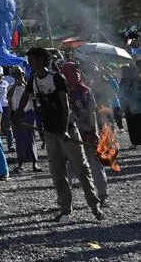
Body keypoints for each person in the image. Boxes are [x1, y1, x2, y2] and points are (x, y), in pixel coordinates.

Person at [17, 47, 103, 221]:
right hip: (49, 132)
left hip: (67, 130)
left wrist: (64, 129)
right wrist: (17, 113)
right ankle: (65, 209)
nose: (29, 63)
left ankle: (94, 206)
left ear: (41, 60)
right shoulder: (33, 78)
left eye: (31, 59)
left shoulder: (57, 78)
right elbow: (26, 96)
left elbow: (65, 107)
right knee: (57, 172)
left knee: (81, 169)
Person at [61, 62, 109, 207]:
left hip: (87, 133)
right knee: (69, 166)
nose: (76, 73)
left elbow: (92, 113)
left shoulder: (85, 90)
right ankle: (64, 199)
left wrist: (93, 132)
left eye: (77, 71)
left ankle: (102, 195)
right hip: (71, 134)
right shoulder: (62, 91)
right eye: (72, 71)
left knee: (95, 164)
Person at [7, 67, 41, 173]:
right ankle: (20, 163)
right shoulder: (10, 87)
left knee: (30, 139)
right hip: (17, 115)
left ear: (23, 74)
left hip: (28, 114)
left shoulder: (28, 87)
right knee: (19, 140)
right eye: (16, 74)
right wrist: (15, 84)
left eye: (20, 74)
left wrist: (24, 84)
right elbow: (8, 97)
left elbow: (34, 96)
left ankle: (34, 163)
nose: (18, 76)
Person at [0, 67, 15, 151]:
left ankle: (10, 145)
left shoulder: (5, 83)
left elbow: (2, 91)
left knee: (7, 127)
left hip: (4, 106)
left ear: (1, 75)